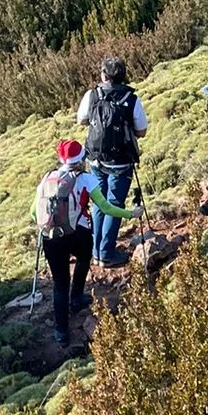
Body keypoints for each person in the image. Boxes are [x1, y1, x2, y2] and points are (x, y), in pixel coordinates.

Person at [33, 138, 139, 348]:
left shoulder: (47, 177)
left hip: (50, 238)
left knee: (59, 283)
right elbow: (106, 208)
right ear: (81, 158)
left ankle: (61, 331)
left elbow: (32, 211)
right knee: (84, 257)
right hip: (76, 233)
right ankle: (77, 297)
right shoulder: (85, 179)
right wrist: (130, 214)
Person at [78, 56, 148, 266]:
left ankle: (96, 251)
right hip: (120, 161)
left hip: (95, 158)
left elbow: (81, 120)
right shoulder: (131, 98)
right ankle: (106, 253)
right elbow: (142, 131)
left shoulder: (92, 95)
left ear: (103, 75)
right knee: (114, 202)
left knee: (99, 202)